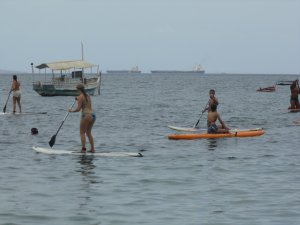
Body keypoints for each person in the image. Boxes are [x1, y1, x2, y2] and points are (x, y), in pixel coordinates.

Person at [69, 84, 96, 152]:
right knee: (88, 133)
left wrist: (71, 111)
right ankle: (92, 149)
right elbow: (86, 104)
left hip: (86, 115)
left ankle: (83, 149)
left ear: (78, 89)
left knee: (82, 133)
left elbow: (78, 109)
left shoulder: (80, 97)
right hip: (93, 115)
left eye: (76, 89)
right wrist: (77, 98)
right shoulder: (88, 96)